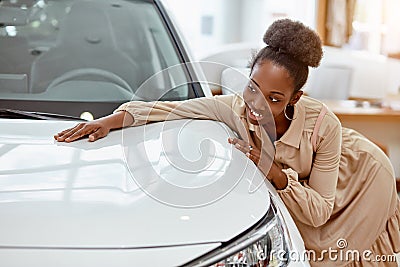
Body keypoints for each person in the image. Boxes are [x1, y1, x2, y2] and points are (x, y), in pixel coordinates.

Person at [54, 19, 400, 266]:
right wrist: (109, 121)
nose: (256, 104)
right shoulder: (233, 106)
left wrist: (272, 170)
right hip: (307, 192)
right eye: (252, 87)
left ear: (296, 98)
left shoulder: (325, 125)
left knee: (330, 258)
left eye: (275, 98)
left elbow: (320, 210)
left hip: (361, 180)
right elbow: (169, 110)